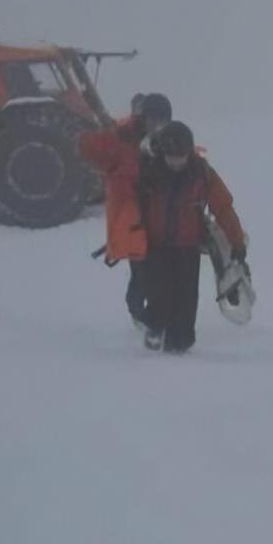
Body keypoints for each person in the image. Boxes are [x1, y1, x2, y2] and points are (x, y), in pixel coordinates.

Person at [136, 120, 246, 353]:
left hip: (188, 248)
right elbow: (128, 203)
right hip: (155, 247)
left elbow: (223, 208)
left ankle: (181, 346)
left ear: (189, 152)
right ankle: (153, 332)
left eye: (181, 156)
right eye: (171, 156)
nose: (176, 161)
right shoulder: (148, 173)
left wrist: (236, 242)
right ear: (163, 153)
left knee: (186, 301)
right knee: (158, 295)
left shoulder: (202, 174)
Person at [79, 93, 174, 328]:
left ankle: (157, 315)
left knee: (161, 267)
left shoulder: (171, 140)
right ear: (144, 117)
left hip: (159, 214)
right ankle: (137, 310)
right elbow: (90, 148)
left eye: (163, 120)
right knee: (141, 269)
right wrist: (88, 134)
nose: (158, 125)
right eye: (154, 119)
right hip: (130, 214)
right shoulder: (120, 137)